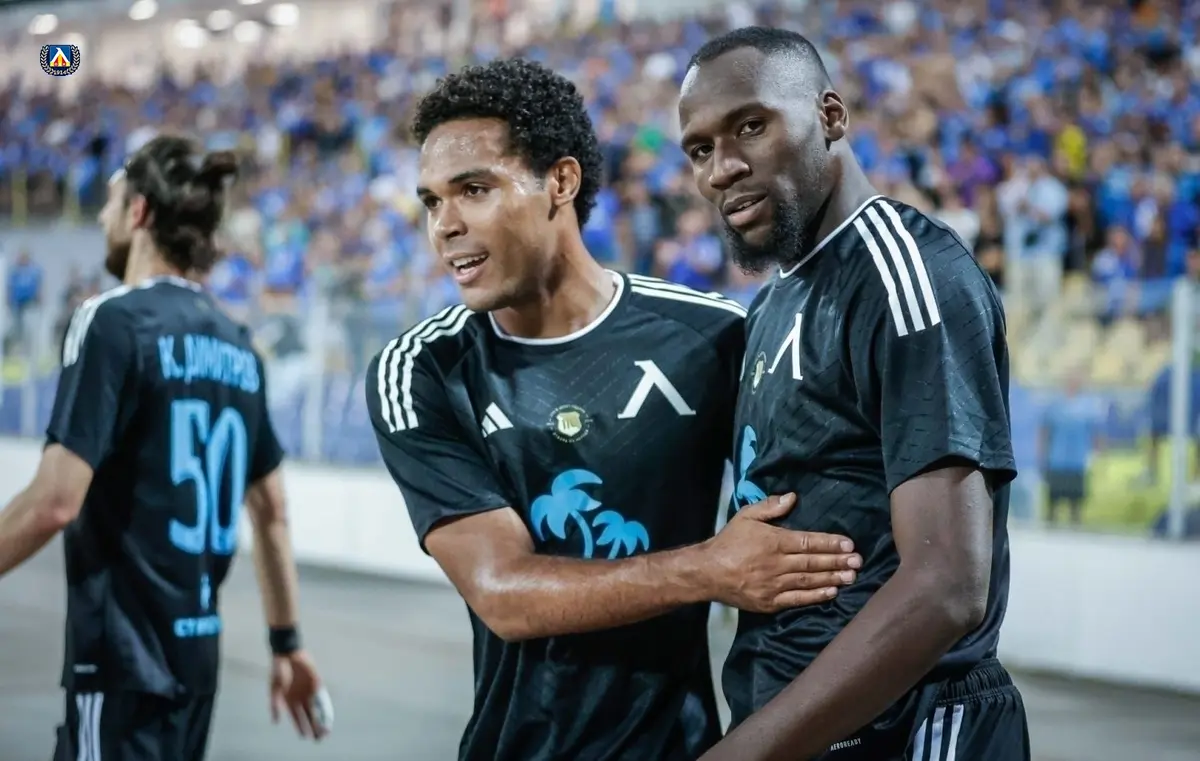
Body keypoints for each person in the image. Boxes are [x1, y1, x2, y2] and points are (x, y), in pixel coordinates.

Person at [365, 58, 862, 761]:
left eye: (473, 190)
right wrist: (709, 569)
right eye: (430, 201)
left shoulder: (713, 335)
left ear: (560, 182)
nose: (444, 226)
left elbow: (812, 514)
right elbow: (502, 592)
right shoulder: (422, 370)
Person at [677, 27, 1030, 761]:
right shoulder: (774, 303)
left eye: (751, 126)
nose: (722, 168)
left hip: (909, 732)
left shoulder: (905, 276)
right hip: (803, 734)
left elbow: (946, 586)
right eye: (700, 149)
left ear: (830, 116)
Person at [0, 135, 327, 761]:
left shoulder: (111, 319)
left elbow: (55, 502)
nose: (102, 217)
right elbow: (272, 510)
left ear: (140, 211)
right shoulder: (239, 344)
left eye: (111, 202)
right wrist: (286, 642)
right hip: (196, 665)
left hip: (120, 664)